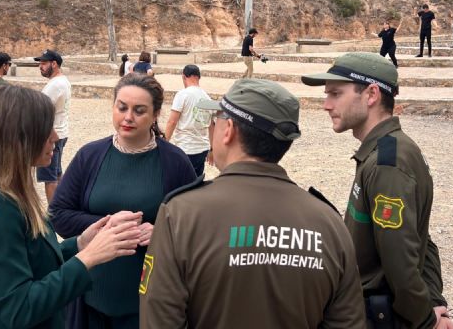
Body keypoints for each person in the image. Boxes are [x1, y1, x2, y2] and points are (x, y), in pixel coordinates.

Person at [140, 78, 365, 328]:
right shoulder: (329, 223)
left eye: (215, 121)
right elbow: (348, 322)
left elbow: (159, 320)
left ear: (229, 130)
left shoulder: (181, 215)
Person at [0, 85, 142, 329]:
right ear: (17, 137)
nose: (54, 136)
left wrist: (82, 243)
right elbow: (20, 308)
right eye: (45, 129)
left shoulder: (5, 193)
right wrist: (88, 258)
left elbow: (31, 262)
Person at [302, 52, 453, 329]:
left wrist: (426, 320)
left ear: (371, 94)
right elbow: (422, 238)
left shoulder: (388, 163)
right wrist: (432, 302)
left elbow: (402, 261)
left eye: (336, 94)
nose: (326, 105)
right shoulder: (385, 150)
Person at [50, 73, 196, 329]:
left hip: (149, 302)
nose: (128, 117)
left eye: (139, 111)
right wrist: (107, 226)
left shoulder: (175, 162)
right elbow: (59, 214)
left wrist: (161, 232)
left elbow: (195, 227)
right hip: (89, 298)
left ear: (155, 114)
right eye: (122, 108)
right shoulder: (90, 155)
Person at [34, 49, 71, 204]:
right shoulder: (62, 81)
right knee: (56, 173)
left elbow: (41, 110)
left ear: (54, 64)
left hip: (51, 134)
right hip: (60, 132)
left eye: (44, 63)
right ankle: (63, 206)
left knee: (50, 178)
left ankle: (55, 214)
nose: (40, 67)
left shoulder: (55, 85)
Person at [164, 65, 212, 176]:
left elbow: (172, 122)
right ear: (199, 77)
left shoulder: (182, 95)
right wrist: (212, 149)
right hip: (202, 149)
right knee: (196, 182)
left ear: (184, 77)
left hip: (186, 148)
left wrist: (164, 143)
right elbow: (211, 125)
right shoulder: (207, 98)